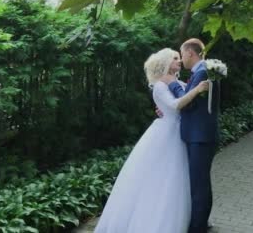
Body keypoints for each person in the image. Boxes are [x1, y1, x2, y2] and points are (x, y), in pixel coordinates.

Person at [94, 48, 209, 233]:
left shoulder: (174, 81)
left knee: (178, 178)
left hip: (178, 132)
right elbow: (175, 104)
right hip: (166, 133)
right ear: (164, 62)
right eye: (175, 58)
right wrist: (198, 89)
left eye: (179, 58)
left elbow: (182, 97)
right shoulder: (159, 85)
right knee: (163, 177)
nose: (179, 62)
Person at [168, 38, 220, 233]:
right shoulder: (202, 71)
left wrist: (172, 85)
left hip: (200, 137)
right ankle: (200, 222)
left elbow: (187, 103)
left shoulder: (202, 72)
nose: (181, 59)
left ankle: (198, 227)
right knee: (200, 182)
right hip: (200, 136)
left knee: (199, 184)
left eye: (182, 55)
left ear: (190, 52)